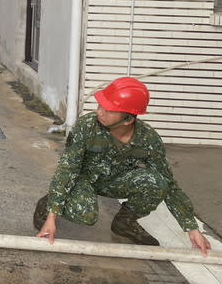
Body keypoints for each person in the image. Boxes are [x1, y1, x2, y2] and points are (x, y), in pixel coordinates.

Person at [34, 77, 212, 257]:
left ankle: (124, 223)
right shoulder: (87, 126)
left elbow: (170, 185)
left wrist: (191, 228)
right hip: (83, 180)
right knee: (86, 214)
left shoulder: (148, 139)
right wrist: (52, 216)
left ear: (127, 119)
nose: (100, 112)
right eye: (100, 105)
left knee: (156, 183)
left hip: (115, 182)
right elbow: (68, 169)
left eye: (109, 110)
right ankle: (48, 203)